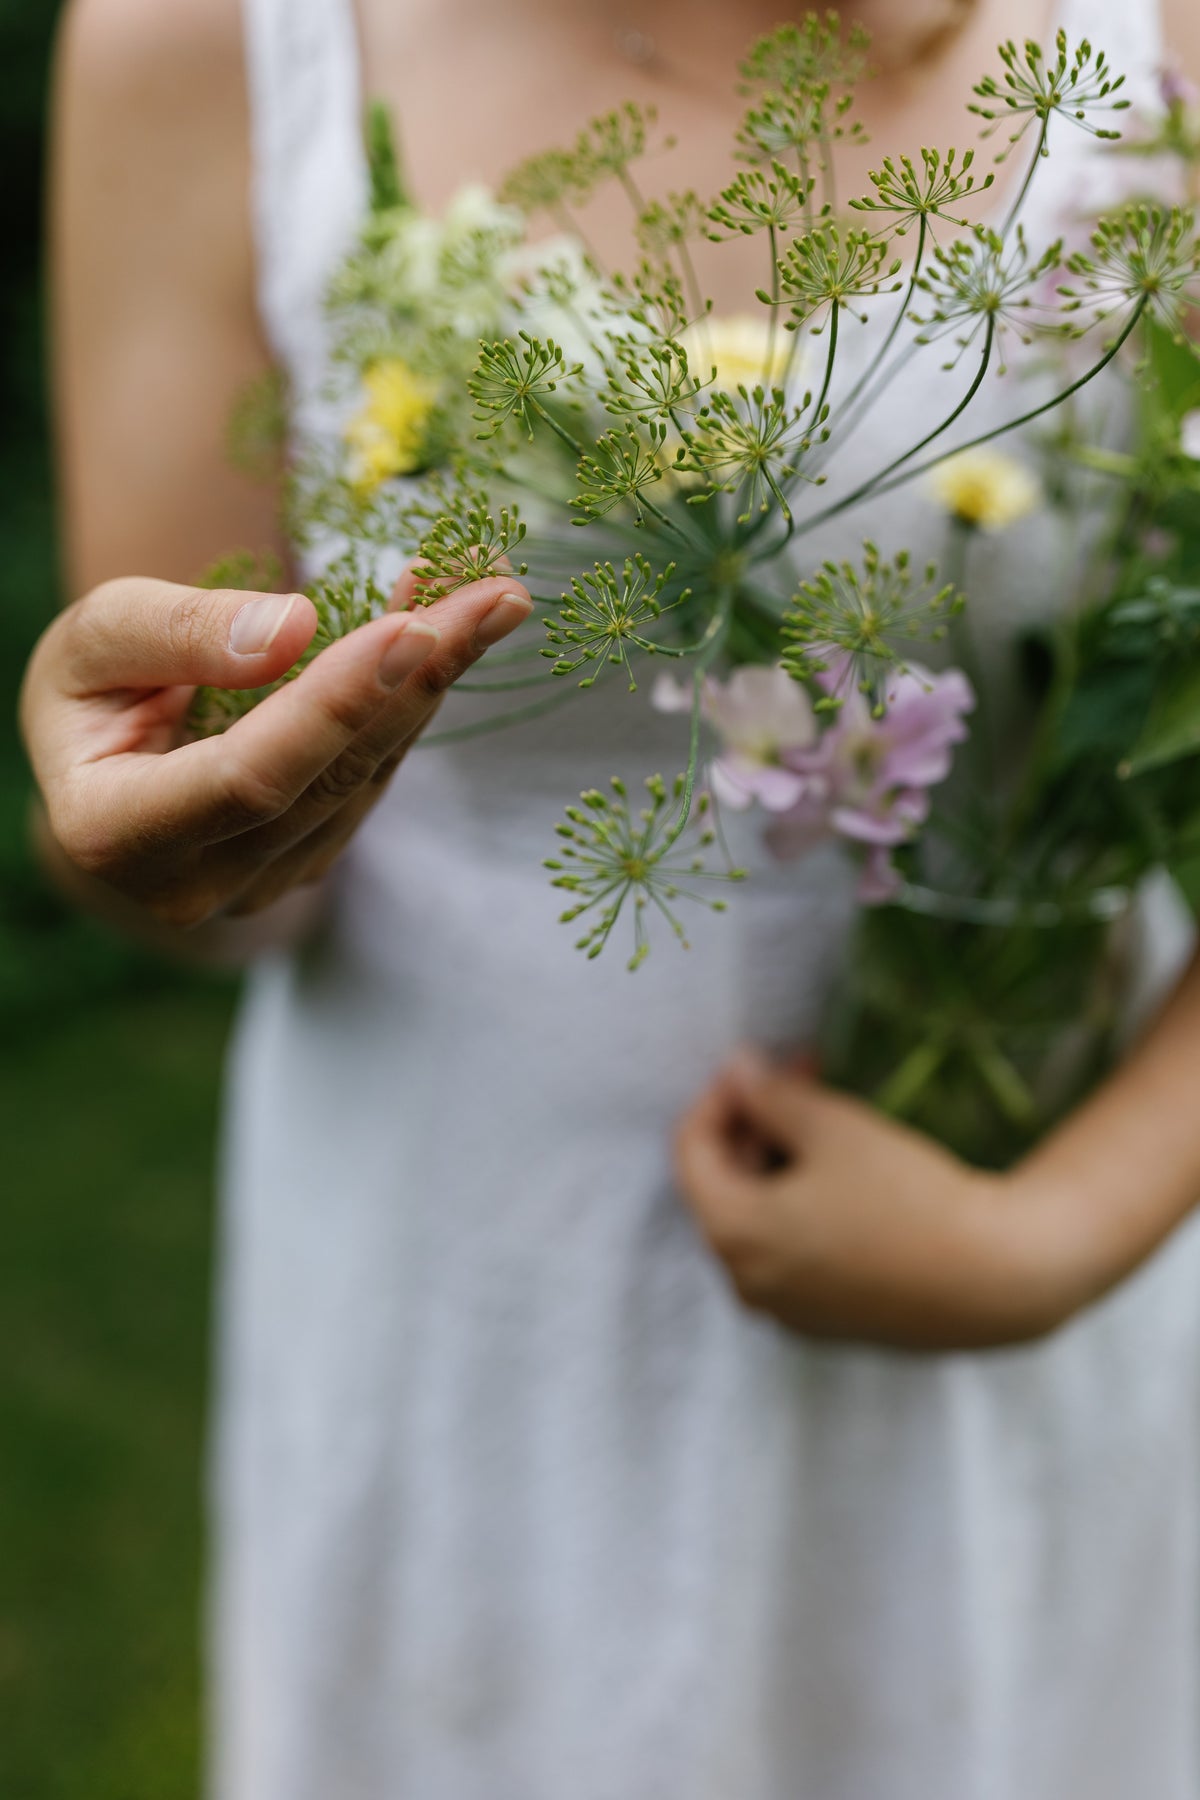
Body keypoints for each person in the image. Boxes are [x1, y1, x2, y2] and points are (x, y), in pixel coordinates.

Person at [20, 0, 1200, 1793]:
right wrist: (166, 834)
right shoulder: (205, 40)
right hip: (475, 1338)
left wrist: (1042, 1244)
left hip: (1046, 1290)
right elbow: (220, 849)